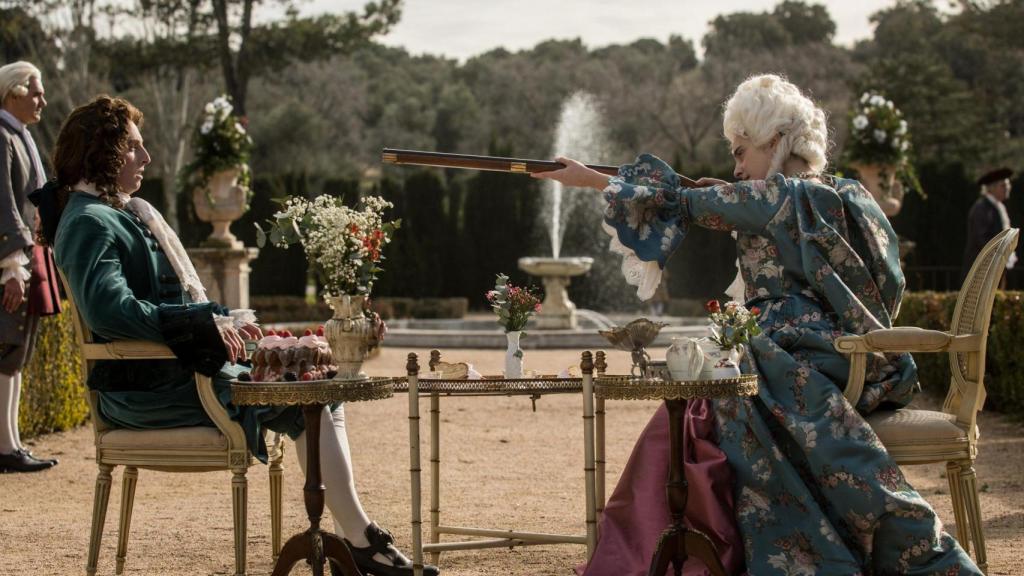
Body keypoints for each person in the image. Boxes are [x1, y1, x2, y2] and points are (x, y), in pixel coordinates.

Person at [535, 74, 982, 575]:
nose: (736, 166)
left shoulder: (778, 197)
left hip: (805, 359)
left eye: (741, 151)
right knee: (710, 391)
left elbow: (685, 205)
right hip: (861, 355)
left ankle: (677, 555)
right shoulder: (845, 192)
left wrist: (591, 180)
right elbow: (890, 284)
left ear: (775, 142)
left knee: (695, 404)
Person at [34, 95, 437, 576]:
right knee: (307, 393)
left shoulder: (113, 213)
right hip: (145, 389)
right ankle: (362, 543)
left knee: (316, 384)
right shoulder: (87, 221)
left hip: (169, 376)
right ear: (103, 151)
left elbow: (177, 303)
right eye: (135, 147)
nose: (146, 158)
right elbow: (110, 312)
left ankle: (358, 537)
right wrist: (204, 324)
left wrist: (234, 325)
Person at [0, 61, 61, 474]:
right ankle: (4, 448)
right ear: (13, 93)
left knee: (16, 353)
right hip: (12, 262)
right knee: (6, 350)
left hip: (26, 256)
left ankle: (11, 441)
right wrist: (10, 266)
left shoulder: (18, 135)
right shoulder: (2, 136)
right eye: (36, 92)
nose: (43, 100)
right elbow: (2, 203)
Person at [963, 167, 1015, 282]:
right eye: (1003, 185)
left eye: (1008, 185)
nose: (1008, 188)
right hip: (982, 270)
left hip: (995, 267)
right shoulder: (982, 208)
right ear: (992, 188)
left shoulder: (998, 207)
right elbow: (982, 239)